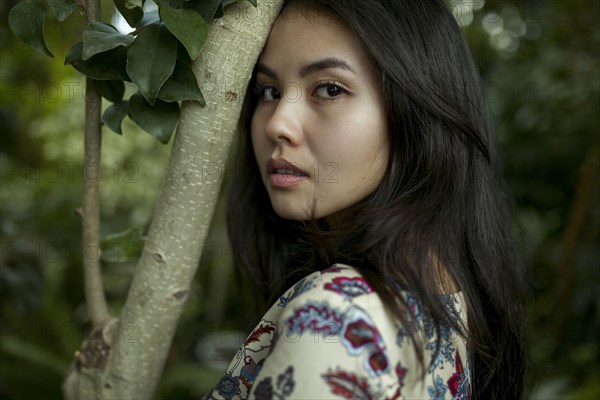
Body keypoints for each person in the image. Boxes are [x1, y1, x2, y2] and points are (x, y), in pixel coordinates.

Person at [206, 0, 526, 398]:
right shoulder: (448, 297)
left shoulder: (334, 317)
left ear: (415, 108)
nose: (276, 124)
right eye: (268, 91)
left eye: (328, 88)